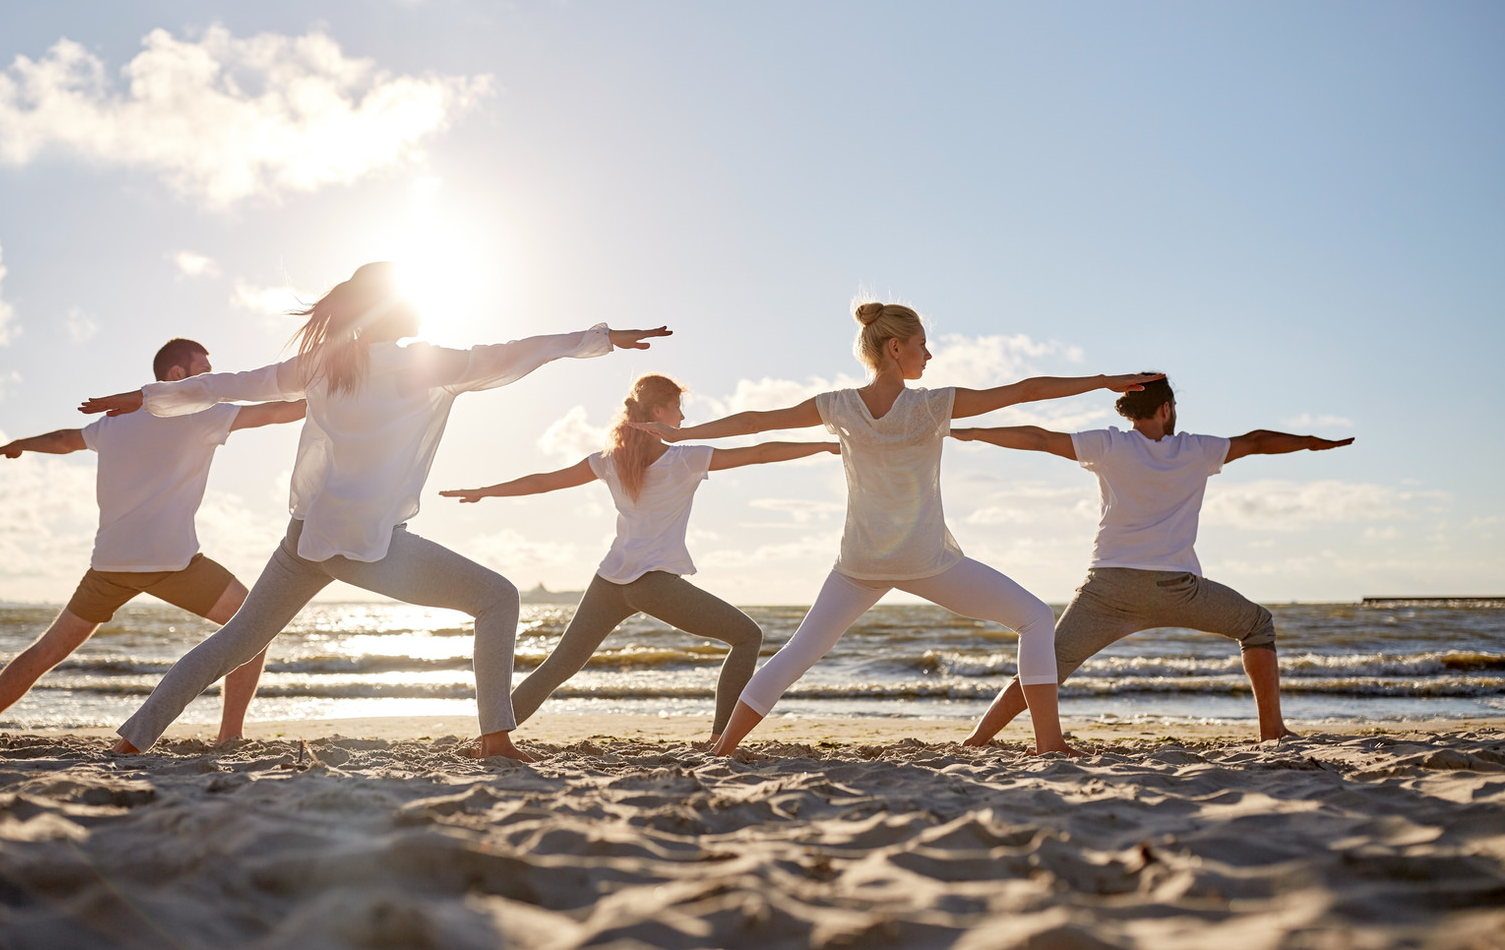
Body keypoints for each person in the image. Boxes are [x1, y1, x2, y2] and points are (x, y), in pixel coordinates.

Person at [82, 262, 669, 762]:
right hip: (363, 542)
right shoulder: (425, 363)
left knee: (235, 641)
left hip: (307, 534)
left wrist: (145, 398)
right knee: (498, 598)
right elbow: (519, 351)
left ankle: (133, 741)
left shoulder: (327, 364)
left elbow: (230, 385)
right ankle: (495, 739)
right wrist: (602, 338)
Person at [634, 302, 1160, 756]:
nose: (928, 356)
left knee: (796, 653)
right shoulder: (932, 405)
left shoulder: (837, 405)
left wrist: (686, 434)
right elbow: (1023, 390)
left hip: (860, 562)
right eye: (922, 345)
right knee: (1034, 618)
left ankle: (723, 750)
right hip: (926, 560)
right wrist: (1099, 381)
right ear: (894, 349)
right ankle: (1049, 745)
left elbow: (754, 421)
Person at [955, 376, 1354, 746]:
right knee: (1257, 625)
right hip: (1176, 589)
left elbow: (1039, 438)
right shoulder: (1197, 449)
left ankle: (977, 739)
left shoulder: (1109, 445)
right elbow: (1258, 441)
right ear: (1166, 408)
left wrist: (972, 433)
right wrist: (1312, 442)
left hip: (1109, 589)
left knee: (1047, 665)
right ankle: (1273, 731)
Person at [439, 373, 839, 741]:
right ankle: (721, 741)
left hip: (610, 581)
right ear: (658, 412)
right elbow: (760, 453)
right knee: (747, 636)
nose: (683, 417)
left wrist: (485, 491)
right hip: (653, 584)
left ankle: (489, 740)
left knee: (557, 667)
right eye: (678, 408)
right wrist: (821, 445)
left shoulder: (611, 459)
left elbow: (545, 482)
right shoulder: (684, 459)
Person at [0, 339, 305, 746]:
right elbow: (281, 411)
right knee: (253, 628)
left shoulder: (115, 422)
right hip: (173, 565)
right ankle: (229, 735)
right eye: (203, 370)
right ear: (176, 375)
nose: (210, 380)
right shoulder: (201, 416)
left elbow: (66, 439)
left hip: (110, 566)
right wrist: (342, 391)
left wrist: (21, 444)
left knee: (46, 651)